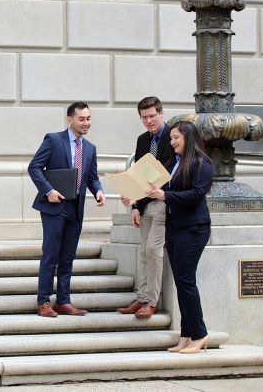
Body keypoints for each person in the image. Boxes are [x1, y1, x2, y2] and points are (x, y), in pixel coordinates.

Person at [28, 102, 106, 318]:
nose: (86, 123)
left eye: (89, 118)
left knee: (68, 255)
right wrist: (49, 190)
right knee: (51, 254)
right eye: (82, 119)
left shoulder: (90, 148)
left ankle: (63, 301)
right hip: (54, 206)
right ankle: (43, 301)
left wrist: (98, 190)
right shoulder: (53, 140)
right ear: (70, 119)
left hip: (76, 207)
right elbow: (34, 167)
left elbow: (92, 177)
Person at [146, 121, 213, 354]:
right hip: (175, 227)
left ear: (189, 138)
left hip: (193, 228)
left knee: (186, 281)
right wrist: (135, 199)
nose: (173, 142)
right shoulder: (174, 163)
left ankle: (200, 334)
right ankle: (186, 335)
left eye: (177, 138)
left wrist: (165, 195)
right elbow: (156, 188)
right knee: (181, 282)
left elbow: (196, 194)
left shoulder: (202, 163)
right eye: (172, 138)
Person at [118, 96, 175, 319]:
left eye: (152, 116)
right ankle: (142, 297)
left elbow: (171, 173)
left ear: (162, 113)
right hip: (144, 203)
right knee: (143, 251)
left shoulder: (173, 136)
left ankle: (151, 301)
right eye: (144, 118)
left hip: (162, 201)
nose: (149, 121)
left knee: (153, 250)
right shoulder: (142, 140)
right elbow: (140, 174)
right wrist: (135, 205)